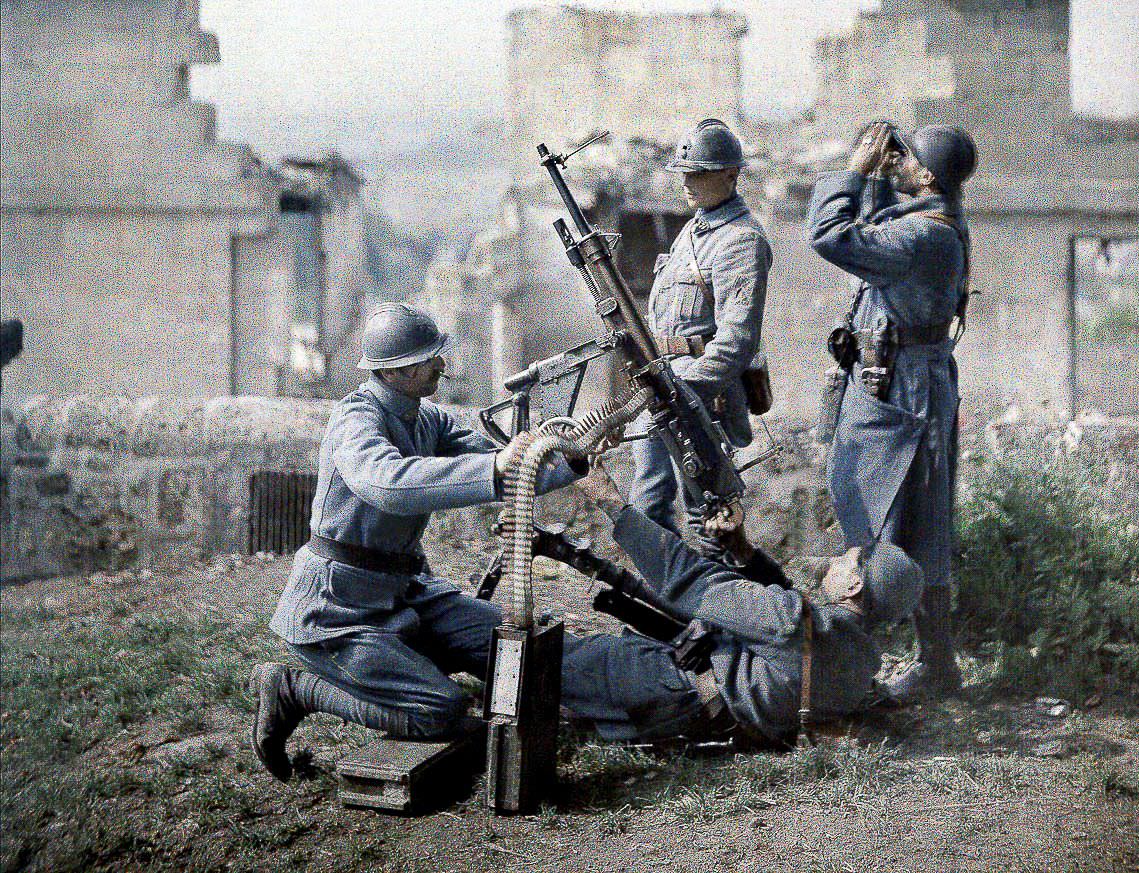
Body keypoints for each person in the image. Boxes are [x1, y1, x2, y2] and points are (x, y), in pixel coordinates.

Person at [249, 303, 581, 782]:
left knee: (516, 642)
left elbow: (508, 468)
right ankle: (293, 688)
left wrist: (571, 458)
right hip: (339, 615)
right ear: (392, 370)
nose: (441, 367)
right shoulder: (355, 420)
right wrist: (494, 467)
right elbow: (386, 482)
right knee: (442, 710)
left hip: (404, 595)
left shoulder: (427, 420)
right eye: (428, 359)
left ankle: (409, 667)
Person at [560, 463, 925, 745]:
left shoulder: (790, 622)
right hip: (701, 719)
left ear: (854, 585)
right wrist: (741, 550)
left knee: (541, 656)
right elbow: (792, 626)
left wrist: (612, 503)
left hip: (665, 689)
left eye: (847, 559)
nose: (835, 561)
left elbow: (689, 578)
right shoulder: (860, 665)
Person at [807, 122, 977, 703]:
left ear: (927, 176)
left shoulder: (927, 236)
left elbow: (832, 237)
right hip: (906, 379)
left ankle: (908, 664)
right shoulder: (934, 220)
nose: (899, 163)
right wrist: (879, 179)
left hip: (906, 392)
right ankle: (930, 660)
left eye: (906, 160)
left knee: (905, 519)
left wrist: (853, 171)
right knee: (899, 515)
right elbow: (877, 232)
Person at [628, 118, 773, 556]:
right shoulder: (694, 231)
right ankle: (670, 604)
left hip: (701, 397)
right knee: (648, 504)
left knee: (708, 515)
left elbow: (737, 340)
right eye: (684, 173)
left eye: (699, 173)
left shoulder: (741, 241)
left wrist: (685, 391)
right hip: (665, 386)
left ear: (730, 175)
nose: (687, 183)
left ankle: (728, 610)